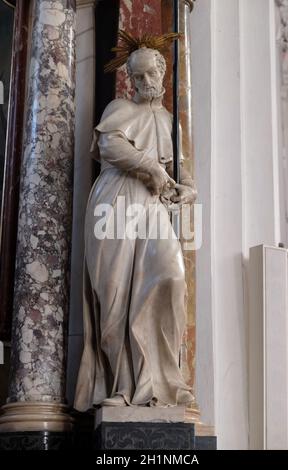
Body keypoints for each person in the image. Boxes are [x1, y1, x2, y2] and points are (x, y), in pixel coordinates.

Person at [74, 41, 197, 411]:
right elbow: (111, 147)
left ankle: (166, 383)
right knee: (113, 295)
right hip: (114, 203)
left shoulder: (168, 120)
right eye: (137, 74)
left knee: (171, 278)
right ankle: (124, 386)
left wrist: (188, 189)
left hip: (153, 207)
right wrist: (153, 167)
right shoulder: (119, 109)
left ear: (163, 73)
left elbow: (180, 168)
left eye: (151, 72)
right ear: (130, 78)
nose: (145, 79)